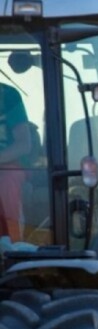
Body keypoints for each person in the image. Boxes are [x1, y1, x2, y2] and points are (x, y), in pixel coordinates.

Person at [0, 82, 32, 241]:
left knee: (6, 179)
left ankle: (12, 245)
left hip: (7, 164)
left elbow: (24, 144)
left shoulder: (7, 96)